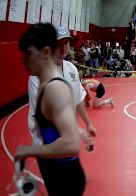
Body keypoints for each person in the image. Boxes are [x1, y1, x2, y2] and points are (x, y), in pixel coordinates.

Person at [16, 22, 85, 195]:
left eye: (29, 54)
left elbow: (70, 144)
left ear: (45, 52)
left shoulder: (55, 89)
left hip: (65, 173)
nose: (24, 61)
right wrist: (76, 129)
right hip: (54, 165)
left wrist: (29, 150)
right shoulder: (41, 83)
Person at [28, 26, 96, 146]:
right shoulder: (37, 77)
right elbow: (44, 117)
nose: (63, 48)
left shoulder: (72, 68)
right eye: (59, 44)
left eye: (66, 43)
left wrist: (88, 123)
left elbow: (78, 99)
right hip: (46, 142)